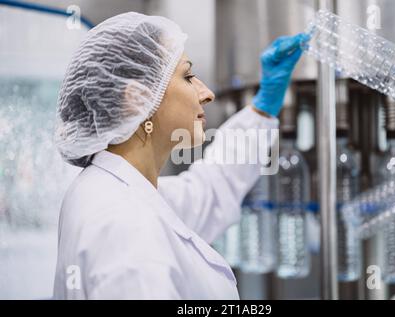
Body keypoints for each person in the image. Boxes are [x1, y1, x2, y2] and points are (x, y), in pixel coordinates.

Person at [53, 12, 309, 299]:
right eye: (188, 76)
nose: (207, 93)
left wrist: (263, 107)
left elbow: (208, 190)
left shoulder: (115, 189)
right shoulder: (125, 227)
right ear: (137, 99)